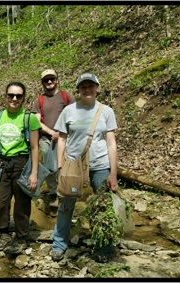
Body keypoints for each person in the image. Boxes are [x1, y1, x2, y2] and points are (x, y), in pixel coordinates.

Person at [51, 72, 118, 263]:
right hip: (73, 165)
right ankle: (59, 244)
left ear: (97, 88)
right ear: (78, 90)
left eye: (91, 86)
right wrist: (60, 165)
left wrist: (113, 173)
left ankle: (104, 246)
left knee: (103, 207)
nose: (87, 89)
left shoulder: (106, 111)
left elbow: (111, 142)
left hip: (100, 166)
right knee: (66, 205)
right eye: (83, 86)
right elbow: (62, 139)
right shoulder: (69, 111)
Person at [0, 82, 42, 254]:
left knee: (22, 203)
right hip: (2, 164)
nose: (14, 99)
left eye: (18, 96)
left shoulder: (29, 118)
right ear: (5, 97)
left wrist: (34, 173)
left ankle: (21, 237)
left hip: (22, 163)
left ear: (23, 98)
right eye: (11, 95)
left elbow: (34, 147)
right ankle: (2, 233)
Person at [31, 69, 75, 208]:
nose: (49, 82)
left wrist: (61, 133)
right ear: (42, 83)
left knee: (65, 164)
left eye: (52, 79)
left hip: (65, 137)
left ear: (57, 80)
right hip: (46, 138)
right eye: (46, 80)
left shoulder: (66, 96)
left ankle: (66, 191)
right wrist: (52, 132)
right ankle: (53, 193)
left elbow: (75, 117)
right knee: (49, 166)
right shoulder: (39, 100)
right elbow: (36, 122)